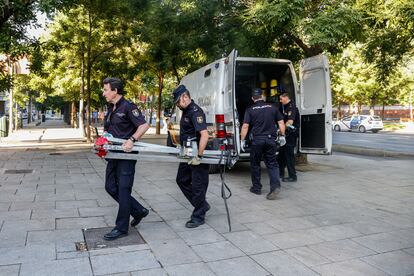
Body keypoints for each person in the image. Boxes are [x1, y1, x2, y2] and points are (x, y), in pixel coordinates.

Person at [101, 77, 150, 240]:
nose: (103, 93)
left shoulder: (129, 107)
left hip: (126, 156)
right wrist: (101, 143)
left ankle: (121, 228)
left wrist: (132, 140)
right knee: (110, 187)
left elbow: (143, 125)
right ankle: (138, 210)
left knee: (123, 189)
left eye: (106, 89)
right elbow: (109, 131)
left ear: (115, 91)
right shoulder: (111, 108)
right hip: (113, 154)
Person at [173, 84, 210, 228]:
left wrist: (199, 157)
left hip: (196, 155)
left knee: (198, 185)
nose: (177, 104)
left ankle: (198, 216)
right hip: (187, 154)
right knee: (181, 180)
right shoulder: (186, 111)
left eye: (178, 101)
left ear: (185, 97)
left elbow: (204, 135)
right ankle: (202, 205)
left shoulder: (195, 111)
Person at [240, 88, 286, 200]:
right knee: (272, 164)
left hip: (257, 141)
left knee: (255, 163)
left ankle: (256, 188)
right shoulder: (272, 107)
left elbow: (245, 126)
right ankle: (275, 187)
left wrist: (242, 140)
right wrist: (283, 136)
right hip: (271, 140)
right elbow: (281, 122)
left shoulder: (250, 109)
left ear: (252, 98)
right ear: (262, 96)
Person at [278, 92, 300, 182]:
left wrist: (281, 129)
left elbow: (290, 122)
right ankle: (281, 173)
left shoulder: (292, 107)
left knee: (289, 156)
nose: (280, 101)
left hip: (291, 135)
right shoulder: (285, 107)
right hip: (286, 135)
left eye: (281, 99)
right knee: (281, 155)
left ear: (286, 97)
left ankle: (293, 176)